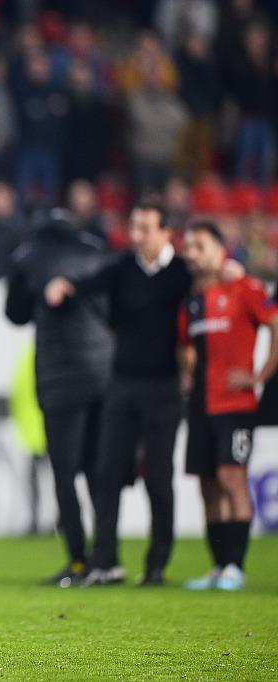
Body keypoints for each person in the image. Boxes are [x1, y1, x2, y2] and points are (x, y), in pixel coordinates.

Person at [44, 201, 190, 586]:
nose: (136, 235)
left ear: (166, 232)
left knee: (158, 477)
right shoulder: (124, 268)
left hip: (164, 387)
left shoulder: (182, 274)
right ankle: (104, 560)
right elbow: (89, 285)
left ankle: (157, 564)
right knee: (108, 474)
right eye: (134, 226)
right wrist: (65, 285)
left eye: (144, 228)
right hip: (121, 386)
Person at [6, 209, 114, 587]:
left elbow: (15, 313)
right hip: (105, 372)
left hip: (60, 375)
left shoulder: (28, 256)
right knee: (101, 471)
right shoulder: (99, 253)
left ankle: (78, 561)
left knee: (65, 473)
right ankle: (108, 560)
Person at [179, 221, 278, 591]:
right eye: (188, 246)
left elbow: (274, 324)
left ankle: (236, 566)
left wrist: (260, 375)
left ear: (220, 250)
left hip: (235, 404)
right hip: (201, 405)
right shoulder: (191, 298)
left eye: (199, 246)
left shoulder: (246, 288)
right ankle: (218, 566)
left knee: (232, 479)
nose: (191, 253)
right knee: (207, 486)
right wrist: (186, 368)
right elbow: (184, 343)